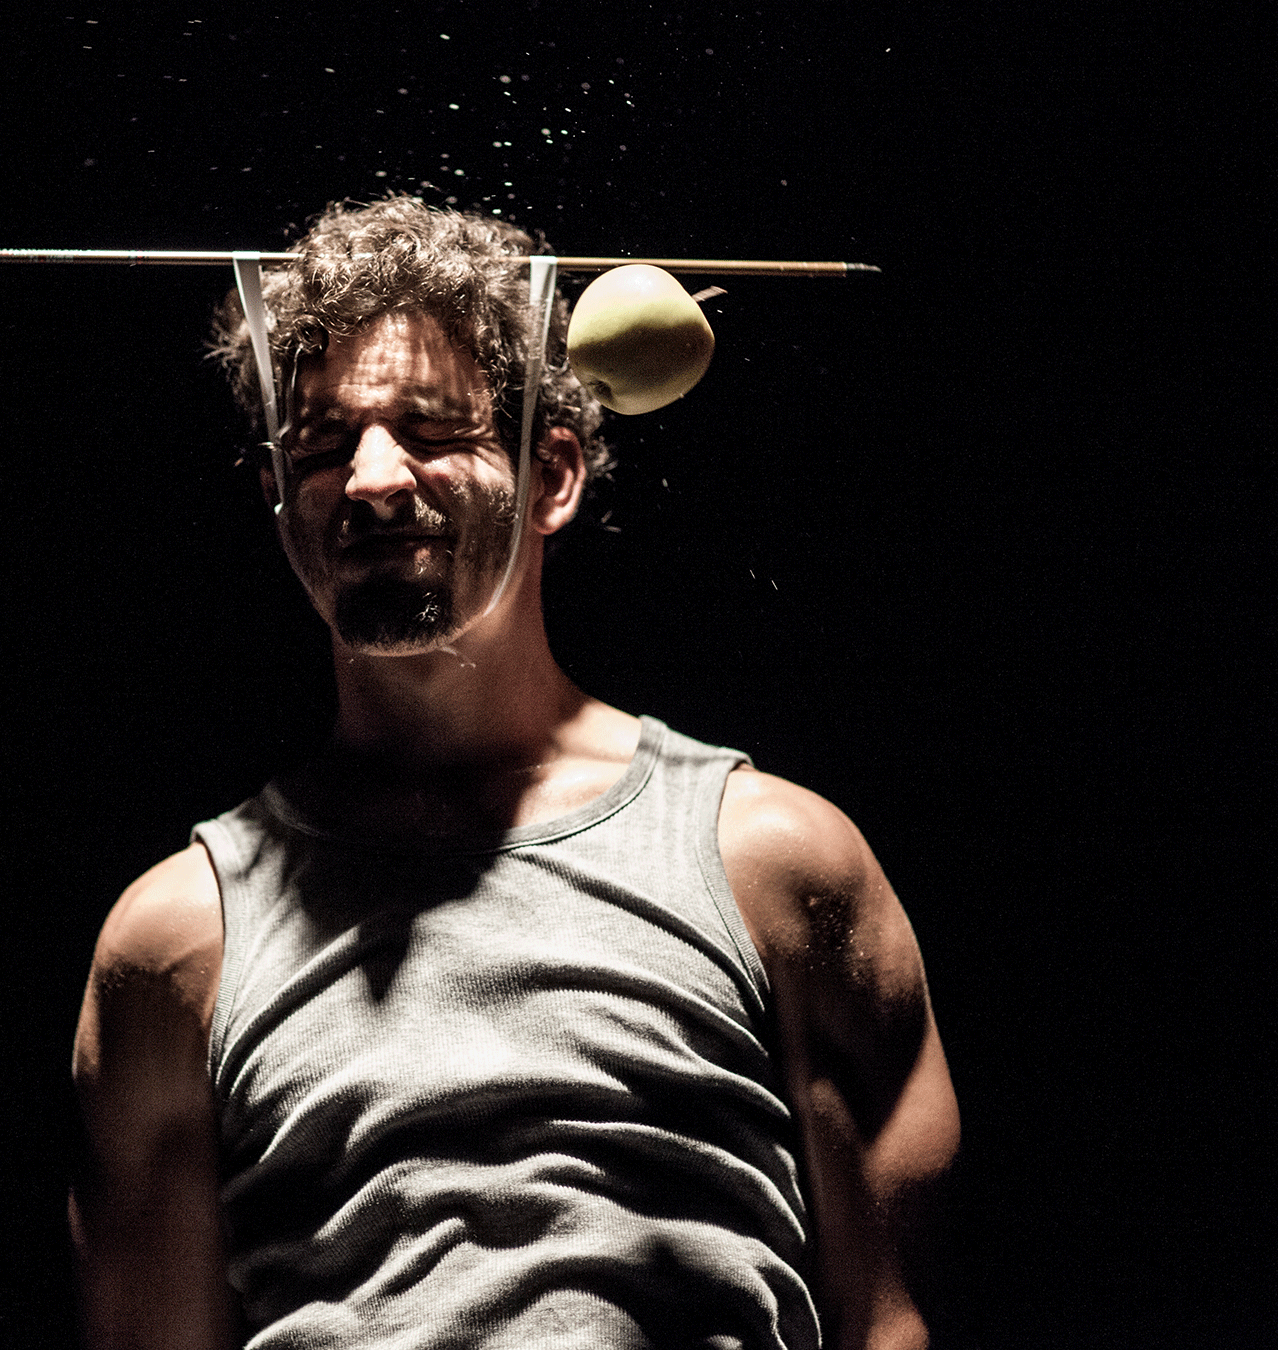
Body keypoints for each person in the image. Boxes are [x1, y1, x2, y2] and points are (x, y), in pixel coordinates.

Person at [70, 196, 958, 1350]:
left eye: (430, 430)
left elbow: (896, 1323)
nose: (372, 479)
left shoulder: (778, 867)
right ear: (279, 494)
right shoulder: (177, 943)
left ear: (552, 477)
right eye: (323, 444)